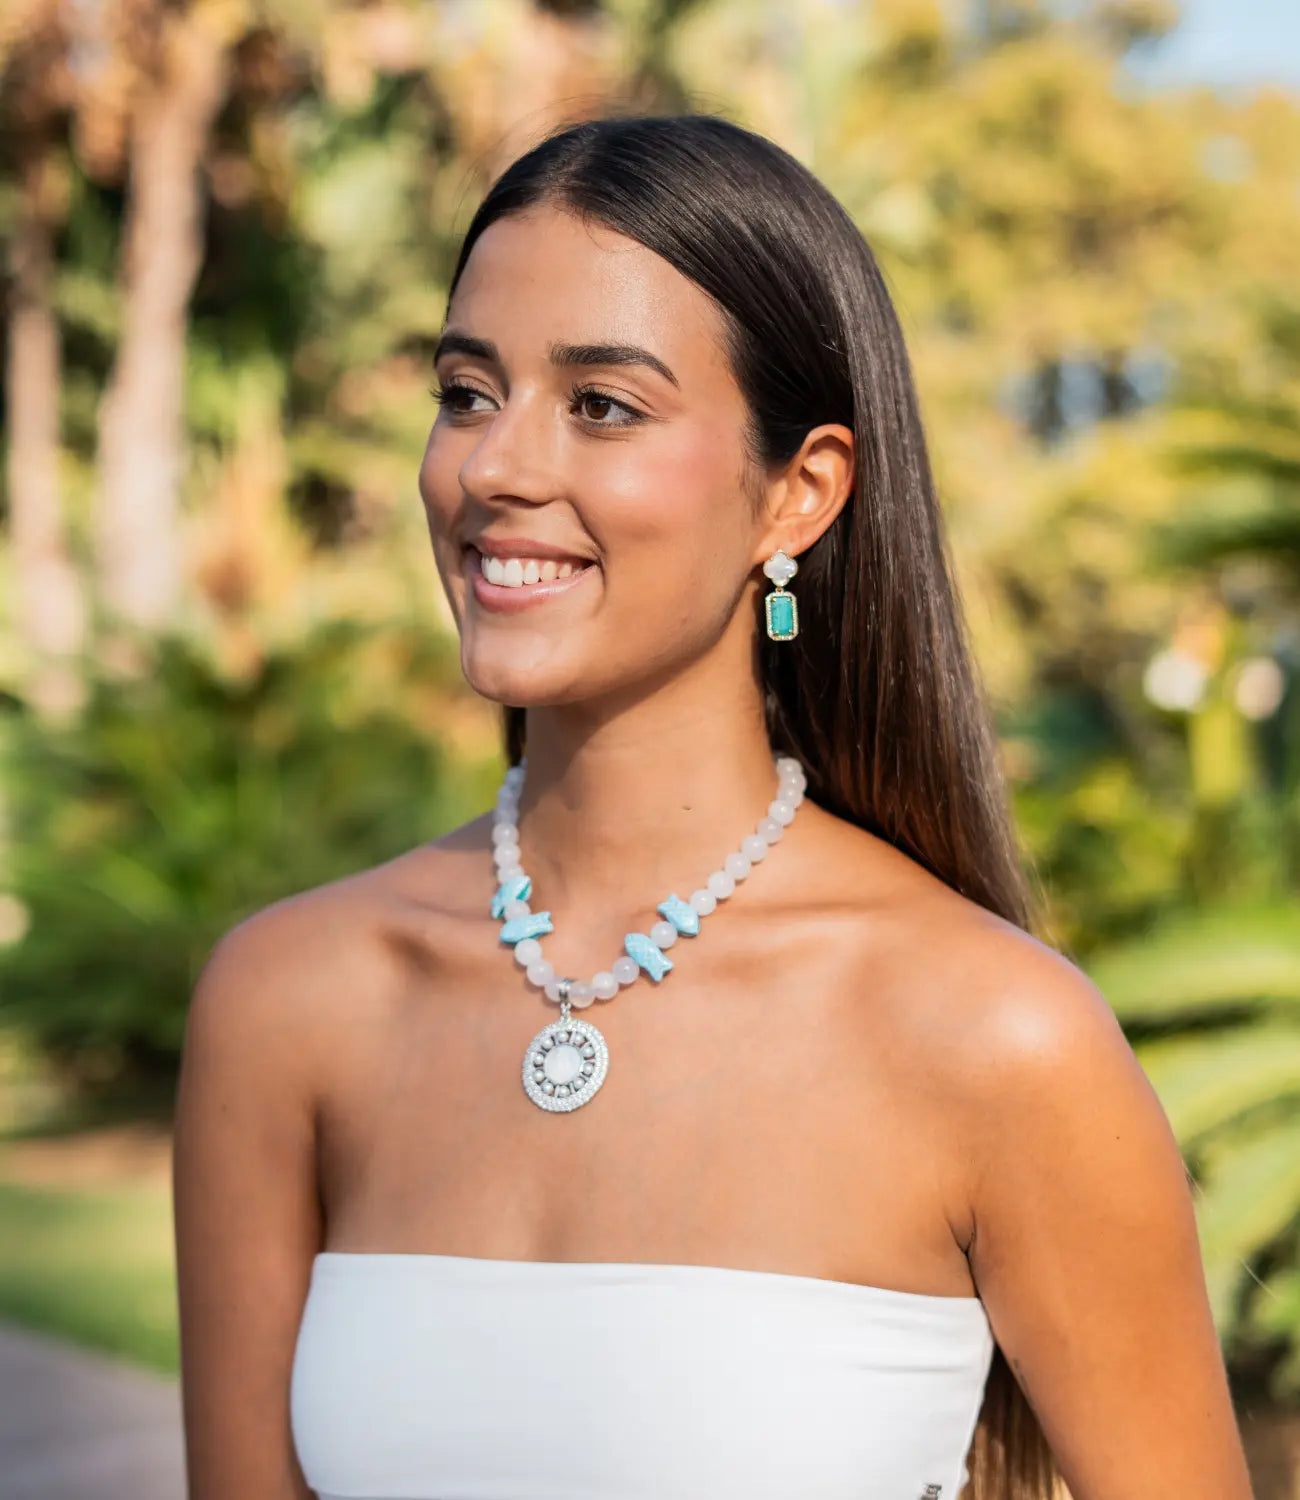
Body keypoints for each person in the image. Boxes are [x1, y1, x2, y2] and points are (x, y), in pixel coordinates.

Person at [171, 113, 1253, 1500]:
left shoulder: (995, 1039)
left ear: (798, 495)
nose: (495, 468)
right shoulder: (291, 1000)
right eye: (465, 391)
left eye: (602, 404)